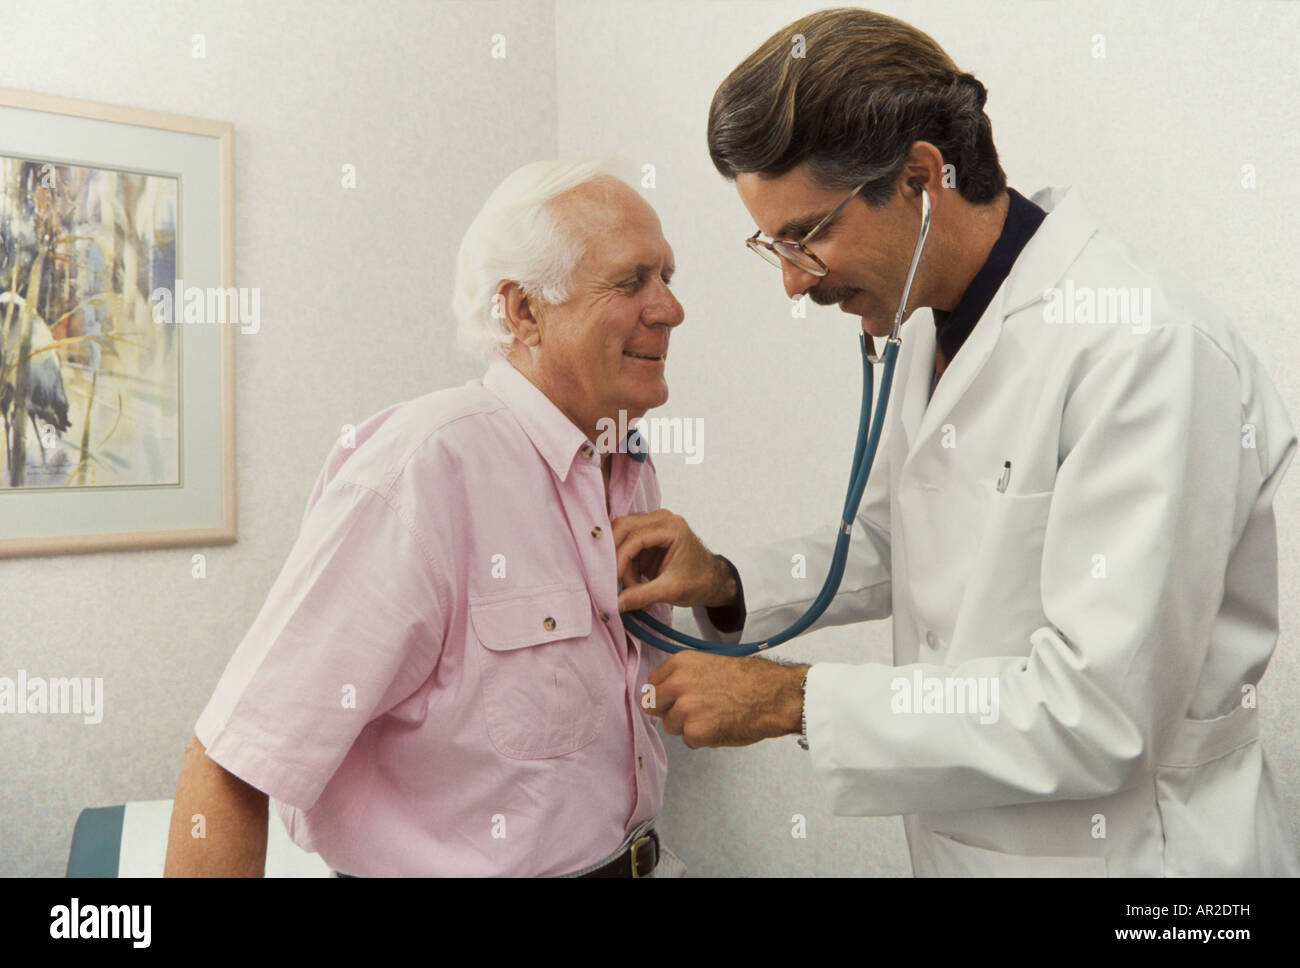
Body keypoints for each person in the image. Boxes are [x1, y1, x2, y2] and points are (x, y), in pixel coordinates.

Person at [613, 7, 1299, 876]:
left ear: (921, 177)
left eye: (808, 234)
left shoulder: (1142, 348)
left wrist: (791, 700)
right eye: (773, 243)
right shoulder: (932, 320)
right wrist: (729, 580)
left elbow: (1101, 715)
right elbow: (900, 543)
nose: (793, 282)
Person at [164, 157, 686, 877]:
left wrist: (718, 591)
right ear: (524, 310)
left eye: (667, 278)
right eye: (632, 281)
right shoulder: (421, 468)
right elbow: (233, 760)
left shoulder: (623, 458)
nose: (669, 309)